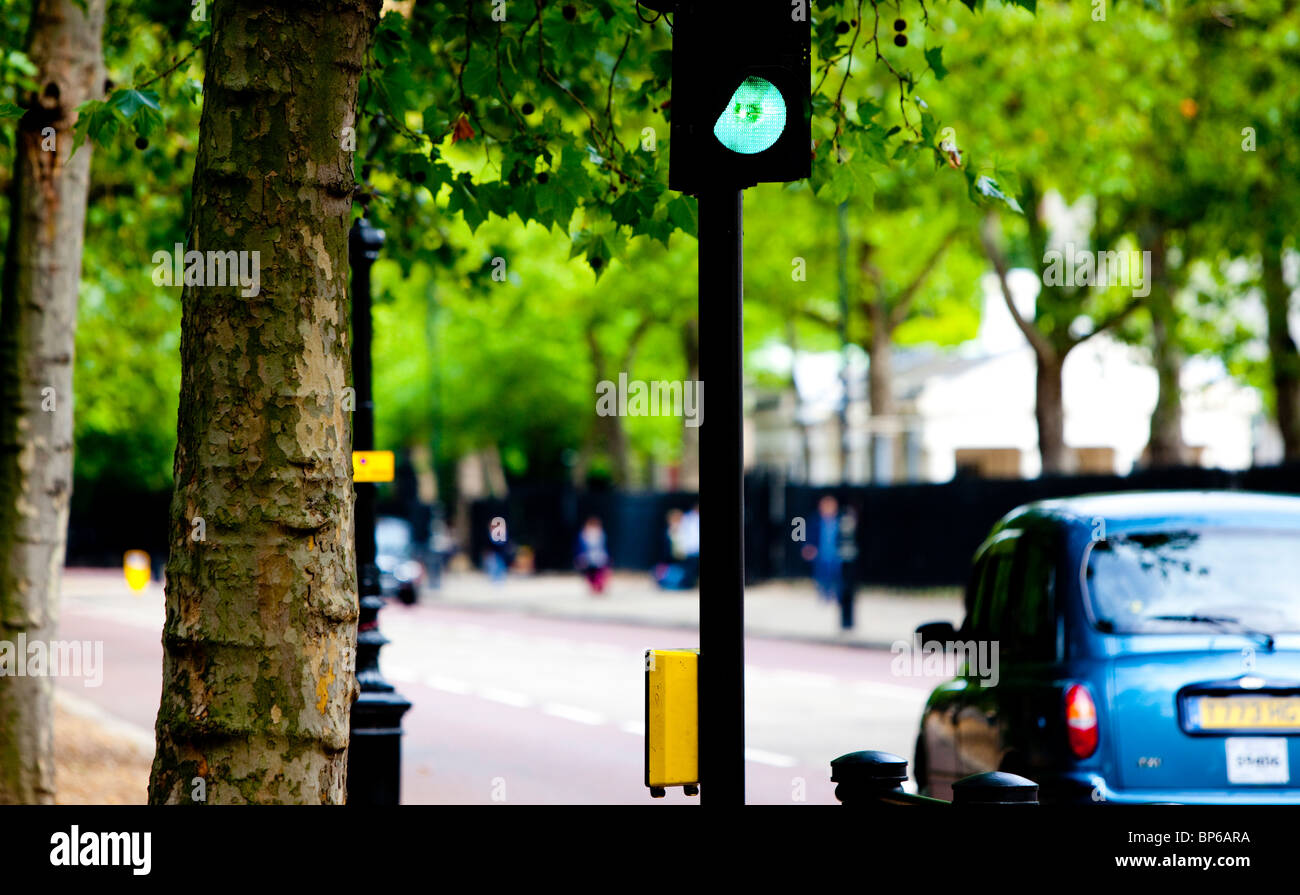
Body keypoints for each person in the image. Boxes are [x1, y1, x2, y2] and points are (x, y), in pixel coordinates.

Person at [803, 495, 842, 603]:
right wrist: (807, 547)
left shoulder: (841, 521)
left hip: (836, 555)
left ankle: (836, 595)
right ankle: (823, 595)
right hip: (821, 554)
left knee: (837, 575)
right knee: (821, 574)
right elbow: (807, 536)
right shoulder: (814, 521)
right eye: (825, 506)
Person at [575, 516, 611, 595]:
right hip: (588, 559)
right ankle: (594, 586)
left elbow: (603, 548)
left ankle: (598, 586)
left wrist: (606, 557)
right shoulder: (583, 535)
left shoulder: (601, 535)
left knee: (599, 574)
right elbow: (580, 548)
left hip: (598, 559)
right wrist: (579, 558)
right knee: (590, 574)